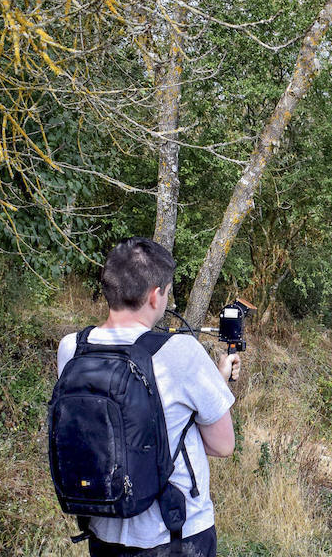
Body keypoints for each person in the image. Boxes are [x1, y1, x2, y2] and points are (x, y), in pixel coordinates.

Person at [56, 237, 238, 557]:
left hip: (103, 529)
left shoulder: (72, 348)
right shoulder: (181, 352)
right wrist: (218, 383)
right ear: (156, 296)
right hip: (174, 535)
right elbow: (222, 446)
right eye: (167, 292)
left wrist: (214, 382)